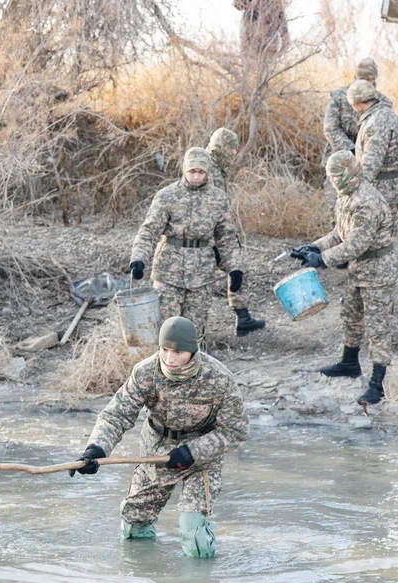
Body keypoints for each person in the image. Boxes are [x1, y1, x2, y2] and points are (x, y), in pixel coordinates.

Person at [70, 316, 248, 558]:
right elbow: (116, 415)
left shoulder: (219, 378)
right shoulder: (145, 372)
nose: (169, 358)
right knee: (134, 526)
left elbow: (235, 430)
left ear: (193, 350)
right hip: (156, 452)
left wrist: (193, 452)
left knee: (194, 535)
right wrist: (96, 449)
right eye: (165, 349)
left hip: (201, 457)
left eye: (178, 352)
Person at [291, 151, 398, 406]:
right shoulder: (347, 196)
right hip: (359, 269)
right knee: (351, 315)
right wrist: (313, 247)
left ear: (345, 175)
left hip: (378, 269)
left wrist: (323, 260)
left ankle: (378, 384)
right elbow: (339, 233)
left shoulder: (366, 201)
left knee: (378, 326)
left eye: (332, 176)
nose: (330, 181)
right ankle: (349, 363)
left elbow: (356, 245)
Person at [128, 147, 242, 342]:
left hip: (202, 274)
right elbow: (149, 231)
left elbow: (227, 237)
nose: (196, 177)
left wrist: (235, 268)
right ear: (184, 170)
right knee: (168, 331)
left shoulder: (218, 198)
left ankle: (193, 369)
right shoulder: (167, 196)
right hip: (168, 272)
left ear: (207, 172)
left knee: (194, 333)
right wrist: (138, 259)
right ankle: (165, 369)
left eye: (200, 172)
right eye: (192, 172)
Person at [206, 127, 266, 338]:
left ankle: (243, 318)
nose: (234, 154)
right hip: (205, 240)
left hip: (218, 236)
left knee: (239, 267)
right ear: (221, 148)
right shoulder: (207, 171)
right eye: (231, 150)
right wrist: (216, 246)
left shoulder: (216, 167)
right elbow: (206, 214)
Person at [348, 79, 398, 213]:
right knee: (388, 231)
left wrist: (356, 193)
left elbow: (371, 164)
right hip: (391, 187)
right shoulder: (389, 115)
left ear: (357, 104)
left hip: (380, 191)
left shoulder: (375, 123)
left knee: (378, 233)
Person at [323, 58, 390, 161]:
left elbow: (384, 134)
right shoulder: (338, 96)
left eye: (368, 81)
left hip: (370, 160)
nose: (363, 85)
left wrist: (367, 154)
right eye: (361, 80)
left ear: (374, 80)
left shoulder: (383, 102)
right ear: (355, 78)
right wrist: (352, 151)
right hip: (339, 159)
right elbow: (330, 128)